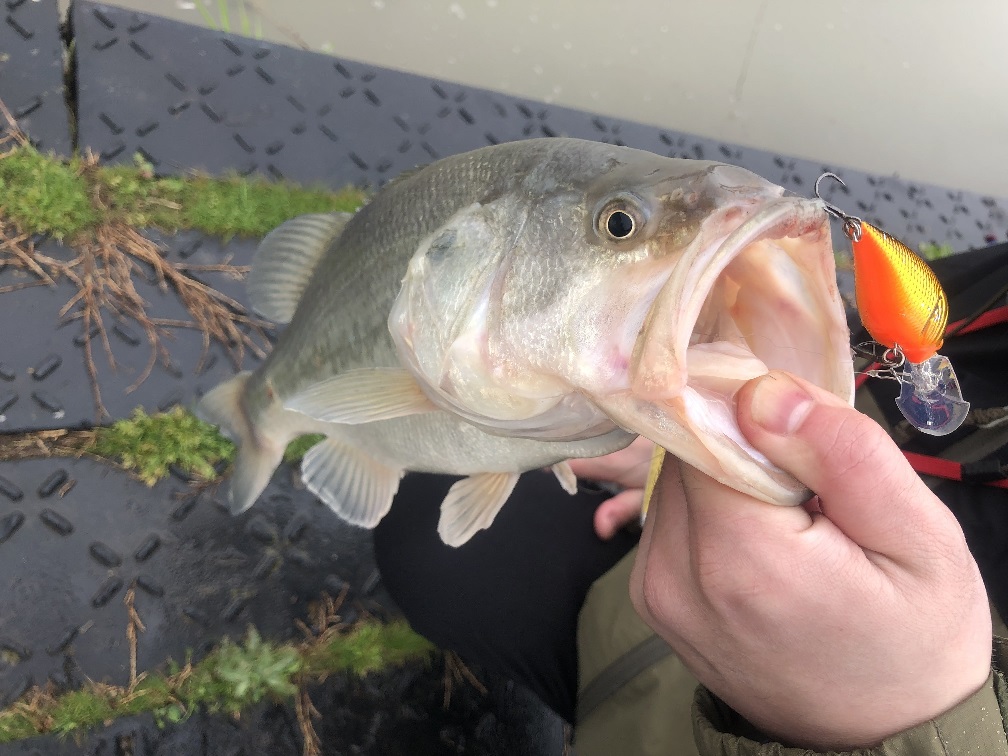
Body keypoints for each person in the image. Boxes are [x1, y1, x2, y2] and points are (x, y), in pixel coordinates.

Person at [374, 242, 1008, 754]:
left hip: (663, 719)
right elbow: (871, 354)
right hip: (650, 576)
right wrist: (669, 441)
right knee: (431, 524)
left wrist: (911, 726)